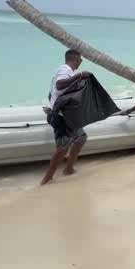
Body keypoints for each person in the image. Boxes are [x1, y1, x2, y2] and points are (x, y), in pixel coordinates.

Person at [40, 49, 92, 185]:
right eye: (80, 60)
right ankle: (47, 178)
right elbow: (59, 85)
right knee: (63, 148)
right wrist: (80, 75)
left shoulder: (62, 71)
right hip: (60, 116)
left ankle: (68, 169)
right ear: (77, 59)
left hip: (66, 115)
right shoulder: (66, 69)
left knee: (81, 138)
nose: (81, 62)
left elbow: (52, 93)